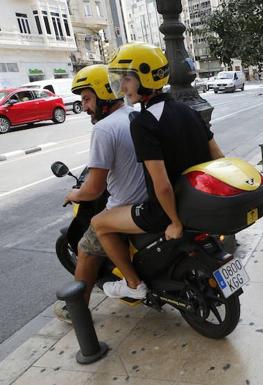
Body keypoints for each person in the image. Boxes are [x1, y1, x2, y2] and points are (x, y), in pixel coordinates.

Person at [91, 43, 225, 299]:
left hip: (163, 212)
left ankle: (133, 284)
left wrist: (173, 222)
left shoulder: (144, 122)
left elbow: (161, 184)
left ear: (145, 77)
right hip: (195, 203)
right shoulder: (189, 110)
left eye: (127, 79)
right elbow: (218, 157)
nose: (122, 87)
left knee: (99, 224)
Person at [55, 64, 147, 322]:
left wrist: (74, 194)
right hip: (148, 201)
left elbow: (93, 188)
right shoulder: (135, 115)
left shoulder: (104, 129)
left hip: (124, 207)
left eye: (87, 98)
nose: (84, 107)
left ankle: (77, 311)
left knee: (86, 248)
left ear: (104, 93)